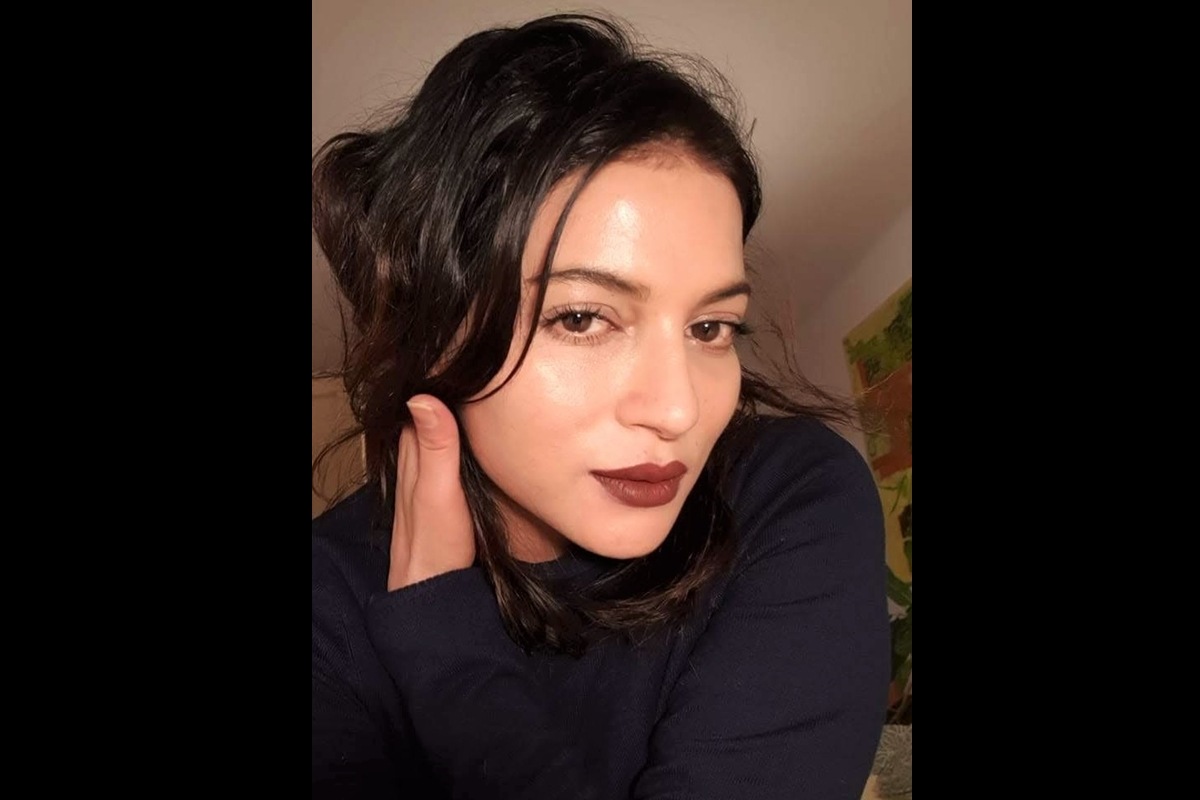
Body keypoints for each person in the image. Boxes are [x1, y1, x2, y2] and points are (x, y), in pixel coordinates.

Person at [312, 13, 889, 799]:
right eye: (582, 317)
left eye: (710, 328)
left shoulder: (788, 495)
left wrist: (444, 645)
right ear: (435, 335)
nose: (678, 411)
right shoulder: (328, 604)